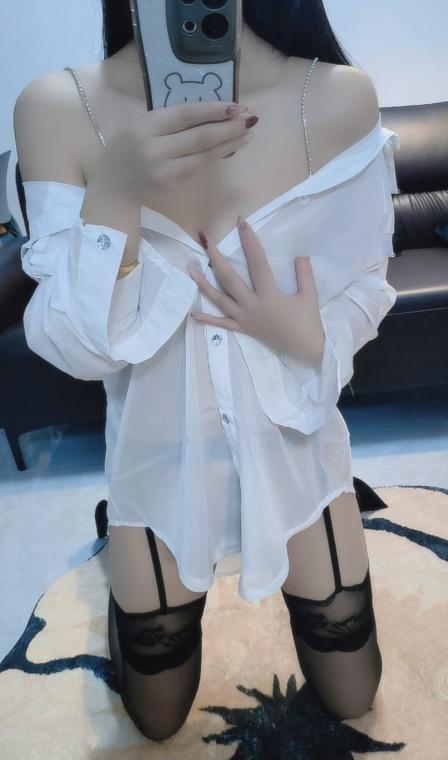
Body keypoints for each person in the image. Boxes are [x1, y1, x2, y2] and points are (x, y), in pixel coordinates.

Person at [14, 0, 399, 742]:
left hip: (297, 456)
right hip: (160, 468)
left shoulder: (336, 97)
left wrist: (309, 337)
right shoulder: (58, 108)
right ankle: (115, 558)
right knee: (157, 717)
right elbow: (75, 349)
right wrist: (114, 195)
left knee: (354, 695)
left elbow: (366, 284)